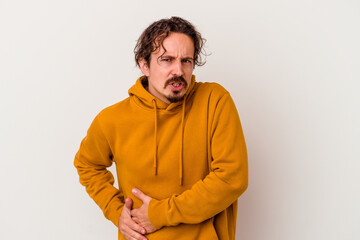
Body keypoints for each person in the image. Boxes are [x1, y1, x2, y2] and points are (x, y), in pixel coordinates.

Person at [74, 16, 248, 240]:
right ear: (144, 65)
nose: (178, 70)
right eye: (167, 60)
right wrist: (116, 211)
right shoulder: (112, 119)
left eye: (186, 60)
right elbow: (87, 164)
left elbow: (232, 178)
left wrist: (159, 214)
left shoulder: (214, 101)